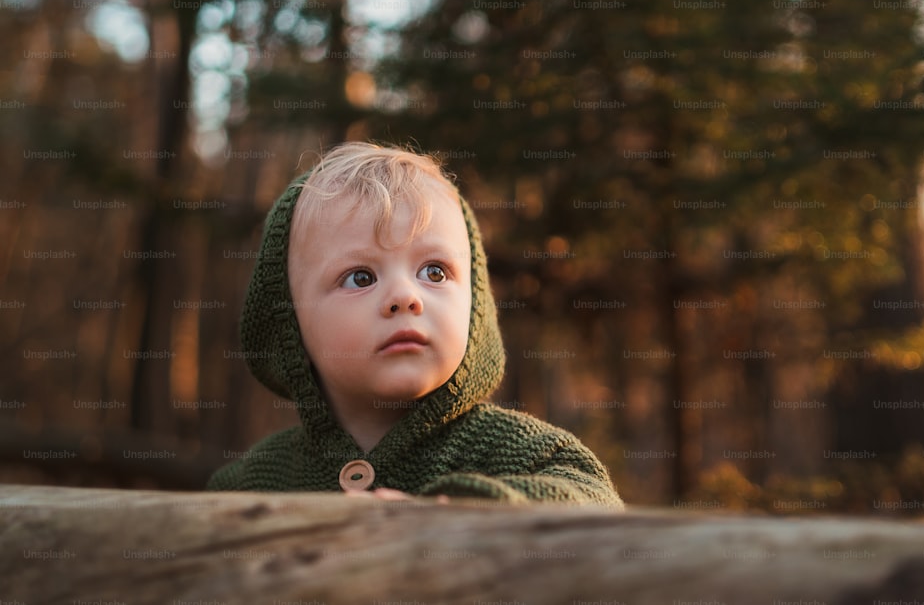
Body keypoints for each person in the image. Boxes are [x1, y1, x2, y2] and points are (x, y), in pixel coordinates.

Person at [206, 141, 623, 507]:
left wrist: (481, 513)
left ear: (476, 302)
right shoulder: (254, 481)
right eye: (361, 277)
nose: (406, 297)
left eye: (435, 272)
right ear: (291, 323)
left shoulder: (520, 452)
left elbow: (595, 505)